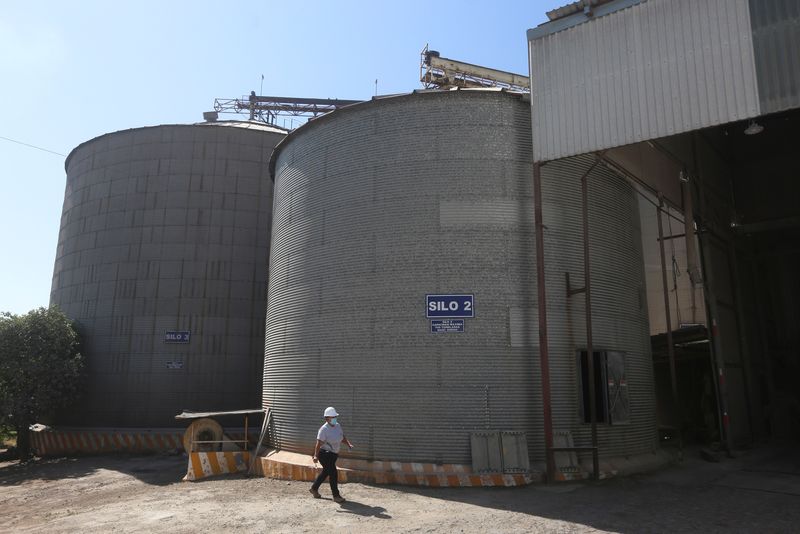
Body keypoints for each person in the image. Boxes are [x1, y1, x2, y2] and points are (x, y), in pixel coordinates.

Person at [310, 406, 353, 503]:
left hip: (333, 455)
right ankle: (336, 495)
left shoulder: (337, 425)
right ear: (327, 418)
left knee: (326, 472)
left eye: (335, 417)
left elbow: (341, 437)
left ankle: (314, 488)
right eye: (332, 417)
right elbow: (318, 444)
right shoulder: (323, 429)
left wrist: (348, 444)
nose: (334, 419)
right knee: (333, 473)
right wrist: (316, 456)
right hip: (324, 455)